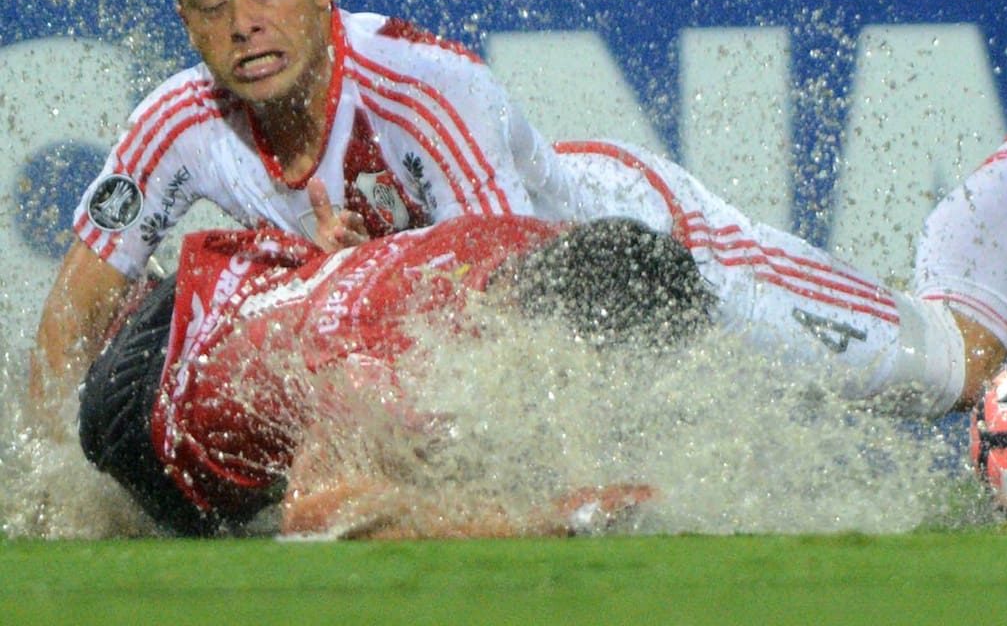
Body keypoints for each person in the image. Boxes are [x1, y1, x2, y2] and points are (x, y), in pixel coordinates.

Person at [34, 0, 1007, 496]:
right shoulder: (176, 123)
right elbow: (77, 310)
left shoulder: (426, 89)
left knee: (965, 367)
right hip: (551, 325)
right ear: (183, 21)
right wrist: (51, 478)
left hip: (637, 252)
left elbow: (508, 290)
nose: (246, 26)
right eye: (210, 4)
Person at [80, 214, 713, 536]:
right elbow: (314, 515)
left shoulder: (529, 242)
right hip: (149, 415)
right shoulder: (399, 373)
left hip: (236, 284)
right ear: (566, 343)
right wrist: (529, 524)